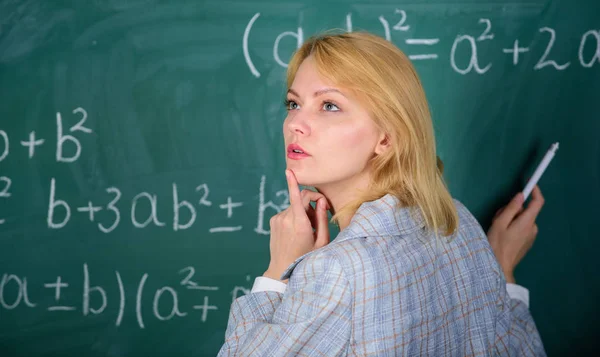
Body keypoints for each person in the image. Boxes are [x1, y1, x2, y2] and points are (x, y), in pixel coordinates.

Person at [218, 32, 546, 356]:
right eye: (294, 103)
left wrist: (278, 271)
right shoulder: (458, 221)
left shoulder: (336, 270)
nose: (294, 123)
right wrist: (503, 271)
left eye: (329, 105)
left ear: (386, 138)